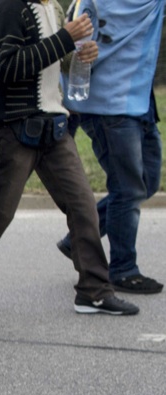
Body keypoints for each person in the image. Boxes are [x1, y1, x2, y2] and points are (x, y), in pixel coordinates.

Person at [0, 0, 138, 316]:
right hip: (18, 130)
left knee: (83, 205)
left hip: (55, 127)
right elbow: (5, 67)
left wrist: (76, 58)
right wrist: (65, 38)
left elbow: (55, 62)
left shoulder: (55, 10)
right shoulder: (10, 9)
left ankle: (94, 290)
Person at [55, 0, 164, 296]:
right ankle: (123, 270)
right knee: (128, 190)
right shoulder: (91, 4)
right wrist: (81, 57)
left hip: (139, 101)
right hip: (107, 107)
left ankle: (78, 239)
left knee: (147, 182)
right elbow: (67, 56)